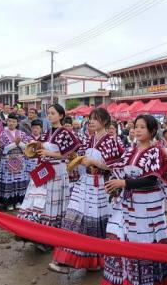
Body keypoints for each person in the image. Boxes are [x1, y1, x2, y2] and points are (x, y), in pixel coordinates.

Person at [102, 114, 167, 285]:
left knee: (145, 243)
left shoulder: (156, 152)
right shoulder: (130, 150)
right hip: (128, 203)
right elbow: (120, 171)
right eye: (136, 126)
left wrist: (124, 183)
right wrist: (117, 185)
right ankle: (127, 281)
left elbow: (151, 179)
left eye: (143, 127)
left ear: (152, 131)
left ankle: (147, 283)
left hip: (148, 207)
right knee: (121, 238)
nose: (138, 130)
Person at [50, 108, 123, 273]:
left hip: (100, 187)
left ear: (104, 121)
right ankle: (66, 260)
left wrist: (95, 163)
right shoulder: (90, 139)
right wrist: (75, 158)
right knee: (73, 216)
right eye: (90, 119)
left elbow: (116, 165)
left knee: (96, 222)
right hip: (85, 183)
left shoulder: (110, 140)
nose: (91, 121)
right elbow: (79, 156)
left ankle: (95, 260)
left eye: (95, 119)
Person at [18, 104, 80, 251]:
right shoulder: (46, 133)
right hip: (43, 169)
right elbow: (41, 149)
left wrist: (48, 153)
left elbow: (68, 155)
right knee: (37, 199)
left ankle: (49, 238)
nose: (50, 115)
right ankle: (33, 232)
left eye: (53, 113)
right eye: (48, 113)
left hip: (57, 170)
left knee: (52, 203)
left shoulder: (65, 133)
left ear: (61, 116)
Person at [0, 113, 29, 211]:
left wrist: (19, 143)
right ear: (7, 122)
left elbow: (26, 147)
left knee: (19, 181)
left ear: (17, 123)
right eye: (9, 121)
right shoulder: (3, 133)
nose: (11, 123)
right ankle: (9, 202)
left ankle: (18, 201)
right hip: (7, 160)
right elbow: (3, 149)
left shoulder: (22, 133)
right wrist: (15, 144)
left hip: (20, 159)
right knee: (9, 181)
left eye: (13, 121)